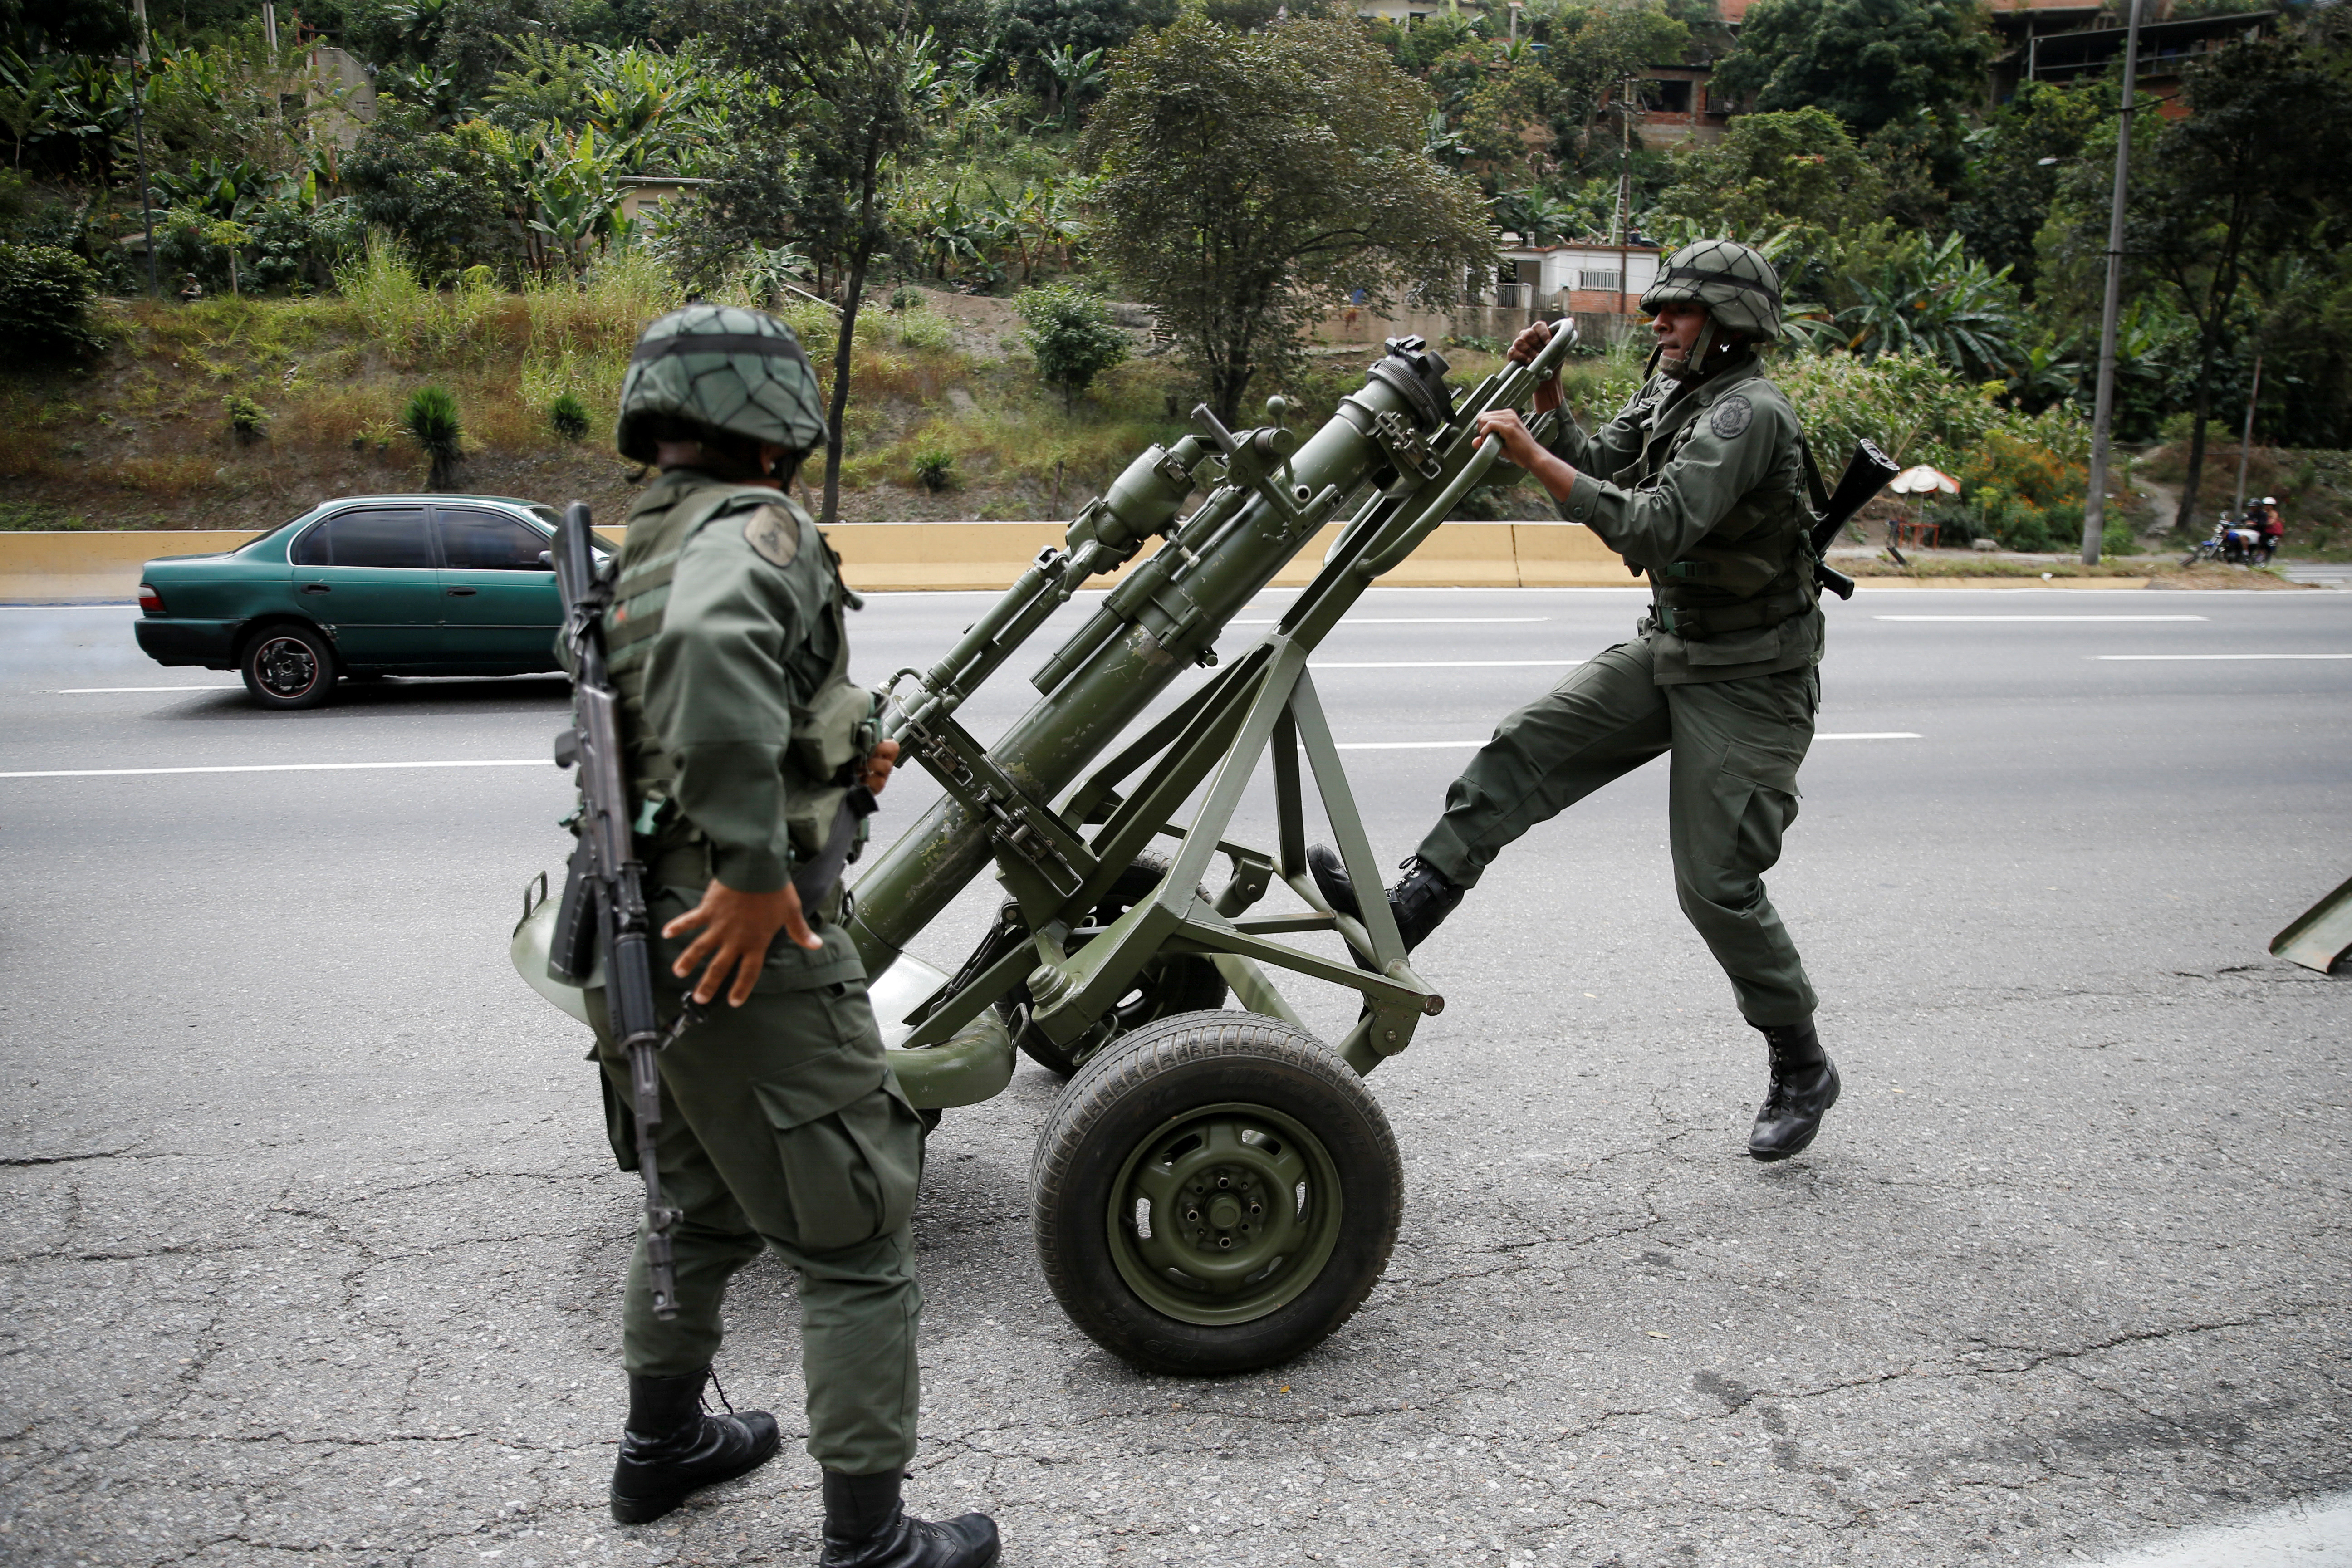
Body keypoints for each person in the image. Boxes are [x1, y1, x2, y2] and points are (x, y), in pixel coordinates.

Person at [578, 303, 998, 1566]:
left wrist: (825, 764)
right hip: (738, 946)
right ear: (774, 424)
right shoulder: (755, 530)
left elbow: (694, 703)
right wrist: (760, 871)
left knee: (696, 1210)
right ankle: (870, 1543)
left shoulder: (643, 543)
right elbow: (718, 651)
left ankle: (662, 1452)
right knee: (857, 1236)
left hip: (638, 940)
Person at [1310, 239, 1841, 1163]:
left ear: (1731, 323)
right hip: (1680, 644)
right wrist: (1551, 409)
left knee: (1715, 887)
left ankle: (1800, 1063)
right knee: (1530, 743)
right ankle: (1409, 909)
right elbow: (1607, 460)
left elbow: (1654, 525)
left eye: (1680, 311)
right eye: (1664, 309)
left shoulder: (1746, 415)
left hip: (1752, 678)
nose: (1661, 323)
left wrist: (1524, 448)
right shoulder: (1681, 390)